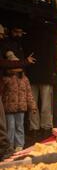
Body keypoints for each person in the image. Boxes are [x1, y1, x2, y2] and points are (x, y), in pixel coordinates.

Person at [0, 26, 36, 160]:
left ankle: (19, 145)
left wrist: (32, 106)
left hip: (20, 108)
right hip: (9, 108)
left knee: (19, 126)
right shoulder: (6, 79)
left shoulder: (24, 79)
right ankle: (9, 146)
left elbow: (28, 94)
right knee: (8, 127)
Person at [22, 21, 57, 137]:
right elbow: (55, 57)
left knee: (33, 105)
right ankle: (46, 128)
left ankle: (34, 128)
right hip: (47, 76)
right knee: (46, 105)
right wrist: (55, 73)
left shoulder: (28, 38)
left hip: (32, 75)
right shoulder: (52, 38)